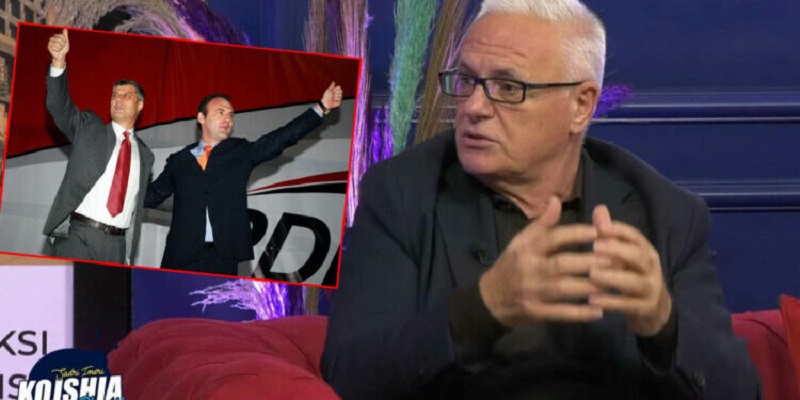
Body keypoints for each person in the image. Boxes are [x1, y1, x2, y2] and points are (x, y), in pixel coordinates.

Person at [322, 0, 760, 399]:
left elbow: (740, 390)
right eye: (467, 80)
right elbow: (350, 375)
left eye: (508, 87)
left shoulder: (665, 213)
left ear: (581, 106)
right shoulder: (401, 194)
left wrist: (662, 323)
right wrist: (484, 308)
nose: (473, 107)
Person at [145, 84, 343, 276]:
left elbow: (282, 138)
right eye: (220, 112)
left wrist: (320, 108)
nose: (228, 119)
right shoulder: (179, 160)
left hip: (223, 259)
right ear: (201, 118)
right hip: (180, 256)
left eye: (231, 115)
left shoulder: (240, 152)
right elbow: (151, 196)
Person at [43, 29, 154, 265]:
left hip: (116, 247)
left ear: (140, 105)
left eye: (126, 95)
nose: (118, 99)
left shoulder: (146, 155)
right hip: (77, 238)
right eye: (115, 95)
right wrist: (58, 62)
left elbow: (143, 200)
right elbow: (60, 108)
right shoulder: (90, 128)